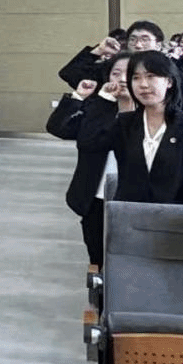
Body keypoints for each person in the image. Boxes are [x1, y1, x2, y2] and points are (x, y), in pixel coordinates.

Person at [79, 51, 183, 208]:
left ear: (169, 81)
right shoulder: (124, 123)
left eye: (151, 76)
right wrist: (104, 100)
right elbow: (87, 143)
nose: (143, 84)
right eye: (136, 78)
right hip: (128, 214)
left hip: (173, 217)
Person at [46, 51, 133, 266]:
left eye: (131, 73)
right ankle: (99, 287)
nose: (122, 79)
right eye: (116, 73)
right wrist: (79, 97)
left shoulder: (154, 112)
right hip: (96, 194)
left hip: (135, 198)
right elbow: (59, 128)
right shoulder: (100, 105)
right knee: (98, 255)